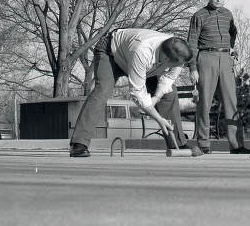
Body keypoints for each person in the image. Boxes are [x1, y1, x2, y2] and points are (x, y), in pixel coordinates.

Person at [69, 28, 193, 157]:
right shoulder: (142, 51)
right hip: (111, 53)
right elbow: (137, 92)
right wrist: (159, 119)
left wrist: (155, 98)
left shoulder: (177, 54)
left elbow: (168, 79)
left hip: (142, 63)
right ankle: (79, 144)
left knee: (169, 94)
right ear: (166, 58)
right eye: (177, 65)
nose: (180, 67)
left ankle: (177, 143)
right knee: (103, 90)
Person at [186, 0, 250, 156]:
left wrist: (231, 47)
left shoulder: (228, 14)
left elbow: (233, 32)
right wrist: (192, 67)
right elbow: (191, 43)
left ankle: (237, 145)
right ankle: (203, 144)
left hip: (225, 58)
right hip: (205, 58)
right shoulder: (198, 16)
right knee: (204, 103)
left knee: (231, 102)